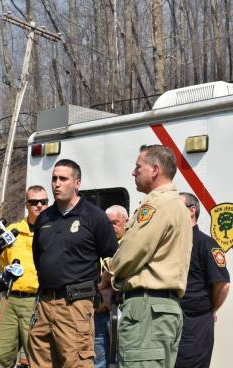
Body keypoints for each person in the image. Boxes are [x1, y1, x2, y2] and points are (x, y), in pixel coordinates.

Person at [99, 144, 192, 368]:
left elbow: (131, 251)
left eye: (138, 167)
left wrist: (106, 276)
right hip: (162, 310)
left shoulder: (157, 204)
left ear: (155, 169)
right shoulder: (177, 205)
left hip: (146, 310)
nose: (133, 172)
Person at [28, 159, 118, 368]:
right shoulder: (44, 218)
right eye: (54, 179)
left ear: (77, 183)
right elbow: (38, 257)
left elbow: (113, 258)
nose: (56, 184)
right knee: (39, 363)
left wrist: (105, 288)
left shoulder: (94, 216)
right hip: (44, 304)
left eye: (63, 179)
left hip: (75, 305)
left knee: (76, 363)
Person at [0, 185, 49, 368]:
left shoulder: (53, 231)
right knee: (0, 354)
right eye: (33, 202)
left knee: (37, 357)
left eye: (43, 202)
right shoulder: (13, 231)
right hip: (10, 300)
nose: (39, 205)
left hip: (37, 302)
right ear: (26, 205)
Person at [175, 192, 230, 368]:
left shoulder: (206, 244)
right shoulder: (170, 242)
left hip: (194, 324)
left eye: (176, 207)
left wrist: (212, 309)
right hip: (170, 321)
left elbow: (223, 284)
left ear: (192, 211)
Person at [94, 205, 128, 368]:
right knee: (98, 361)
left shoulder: (130, 247)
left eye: (115, 223)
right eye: (108, 224)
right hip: (99, 313)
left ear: (126, 223)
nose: (111, 227)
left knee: (123, 360)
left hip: (123, 312)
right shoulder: (97, 246)